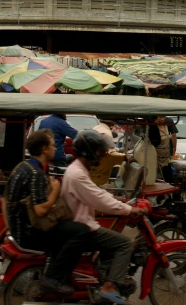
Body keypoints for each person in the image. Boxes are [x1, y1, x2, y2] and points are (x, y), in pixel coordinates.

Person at [63, 130, 147, 305]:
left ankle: (103, 277)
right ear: (90, 152)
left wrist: (117, 199)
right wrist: (127, 210)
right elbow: (99, 199)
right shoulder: (78, 174)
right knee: (124, 243)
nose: (102, 156)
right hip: (84, 227)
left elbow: (95, 192)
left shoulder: (77, 169)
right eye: (100, 152)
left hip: (80, 223)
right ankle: (108, 287)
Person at [3, 129, 92, 294]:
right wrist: (55, 191)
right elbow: (41, 210)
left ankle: (62, 276)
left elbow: (5, 200)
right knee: (81, 232)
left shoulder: (22, 166)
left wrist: (10, 227)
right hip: (30, 234)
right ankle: (53, 277)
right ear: (44, 149)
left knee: (67, 228)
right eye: (52, 145)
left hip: (19, 231)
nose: (56, 148)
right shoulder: (35, 173)